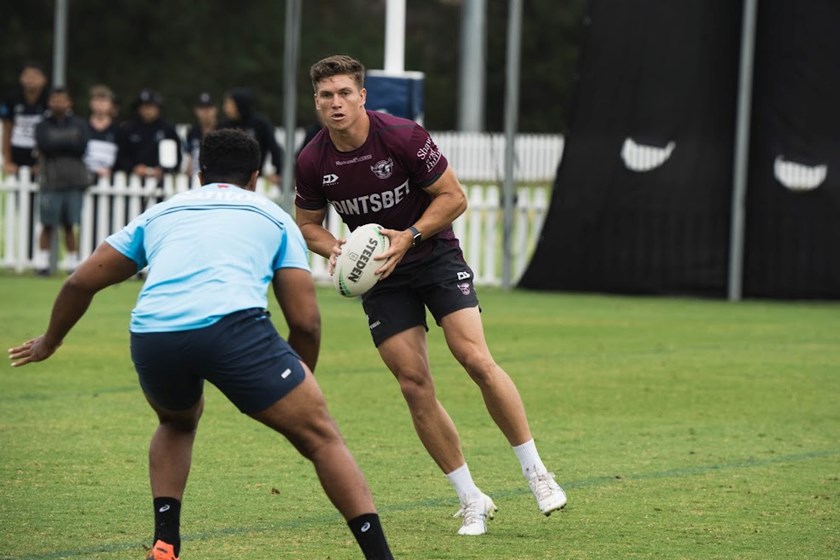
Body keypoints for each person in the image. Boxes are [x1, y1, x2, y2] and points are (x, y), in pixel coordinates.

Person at [8, 129, 395, 560]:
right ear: (255, 176)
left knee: (176, 422)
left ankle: (166, 542)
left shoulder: (161, 213)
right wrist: (298, 380)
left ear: (198, 173)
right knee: (322, 438)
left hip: (153, 333)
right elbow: (305, 323)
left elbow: (80, 281)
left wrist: (50, 341)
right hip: (232, 328)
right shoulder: (273, 216)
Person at [295, 54, 567, 536]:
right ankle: (471, 499)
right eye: (325, 96)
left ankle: (536, 472)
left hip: (433, 254)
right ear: (315, 101)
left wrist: (410, 236)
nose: (335, 103)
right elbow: (308, 225)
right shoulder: (313, 159)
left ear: (362, 96)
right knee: (413, 383)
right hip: (382, 274)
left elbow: (454, 197)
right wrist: (336, 248)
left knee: (474, 358)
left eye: (343, 93)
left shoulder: (401, 136)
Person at [33, 86, 91, 275]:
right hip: (51, 180)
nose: (58, 103)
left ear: (69, 102)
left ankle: (72, 263)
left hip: (74, 180)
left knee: (70, 224)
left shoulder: (80, 124)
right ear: (49, 102)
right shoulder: (42, 125)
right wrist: (67, 142)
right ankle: (42, 263)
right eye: (55, 99)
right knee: (47, 223)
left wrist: (57, 144)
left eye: (62, 99)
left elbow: (80, 147)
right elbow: (45, 145)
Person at [220, 87, 282, 185]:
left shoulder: (260, 124)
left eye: (229, 104)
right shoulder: (225, 125)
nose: (225, 108)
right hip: (228, 180)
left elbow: (274, 148)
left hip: (256, 180)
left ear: (239, 104)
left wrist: (279, 172)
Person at [115, 88, 182, 179]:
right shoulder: (128, 128)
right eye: (144, 106)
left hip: (162, 180)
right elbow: (121, 156)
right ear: (138, 108)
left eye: (150, 106)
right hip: (133, 179)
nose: (147, 110)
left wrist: (164, 170)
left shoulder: (167, 129)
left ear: (157, 108)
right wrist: (134, 167)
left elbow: (176, 156)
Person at [1, 61, 49, 176]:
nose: (30, 80)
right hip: (17, 151)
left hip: (41, 154)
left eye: (35, 76)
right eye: (27, 76)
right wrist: (7, 161)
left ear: (44, 79)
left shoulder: (49, 99)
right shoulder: (12, 98)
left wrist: (44, 162)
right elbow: (7, 130)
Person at [83, 84, 120, 179]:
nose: (100, 104)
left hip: (110, 179)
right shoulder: (82, 127)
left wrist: (112, 170)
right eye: (97, 100)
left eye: (104, 100)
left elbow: (122, 156)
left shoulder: (118, 130)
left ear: (111, 104)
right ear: (90, 103)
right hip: (85, 177)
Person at [183, 91, 217, 178]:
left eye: (209, 108)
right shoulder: (192, 132)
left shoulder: (223, 130)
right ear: (196, 110)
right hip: (196, 178)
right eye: (202, 108)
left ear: (215, 109)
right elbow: (188, 156)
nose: (206, 112)